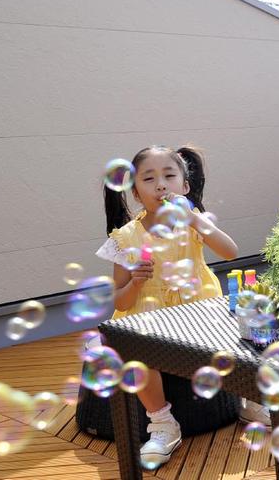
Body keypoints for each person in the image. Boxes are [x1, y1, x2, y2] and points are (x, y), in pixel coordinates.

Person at [97, 145, 238, 468]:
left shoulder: (195, 222)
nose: (161, 185)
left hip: (199, 310)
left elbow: (230, 251)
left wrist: (194, 219)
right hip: (149, 318)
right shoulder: (125, 238)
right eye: (149, 179)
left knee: (240, 337)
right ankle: (162, 423)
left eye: (169, 176)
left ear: (185, 187)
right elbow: (119, 300)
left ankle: (246, 399)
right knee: (135, 353)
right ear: (135, 192)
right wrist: (134, 282)